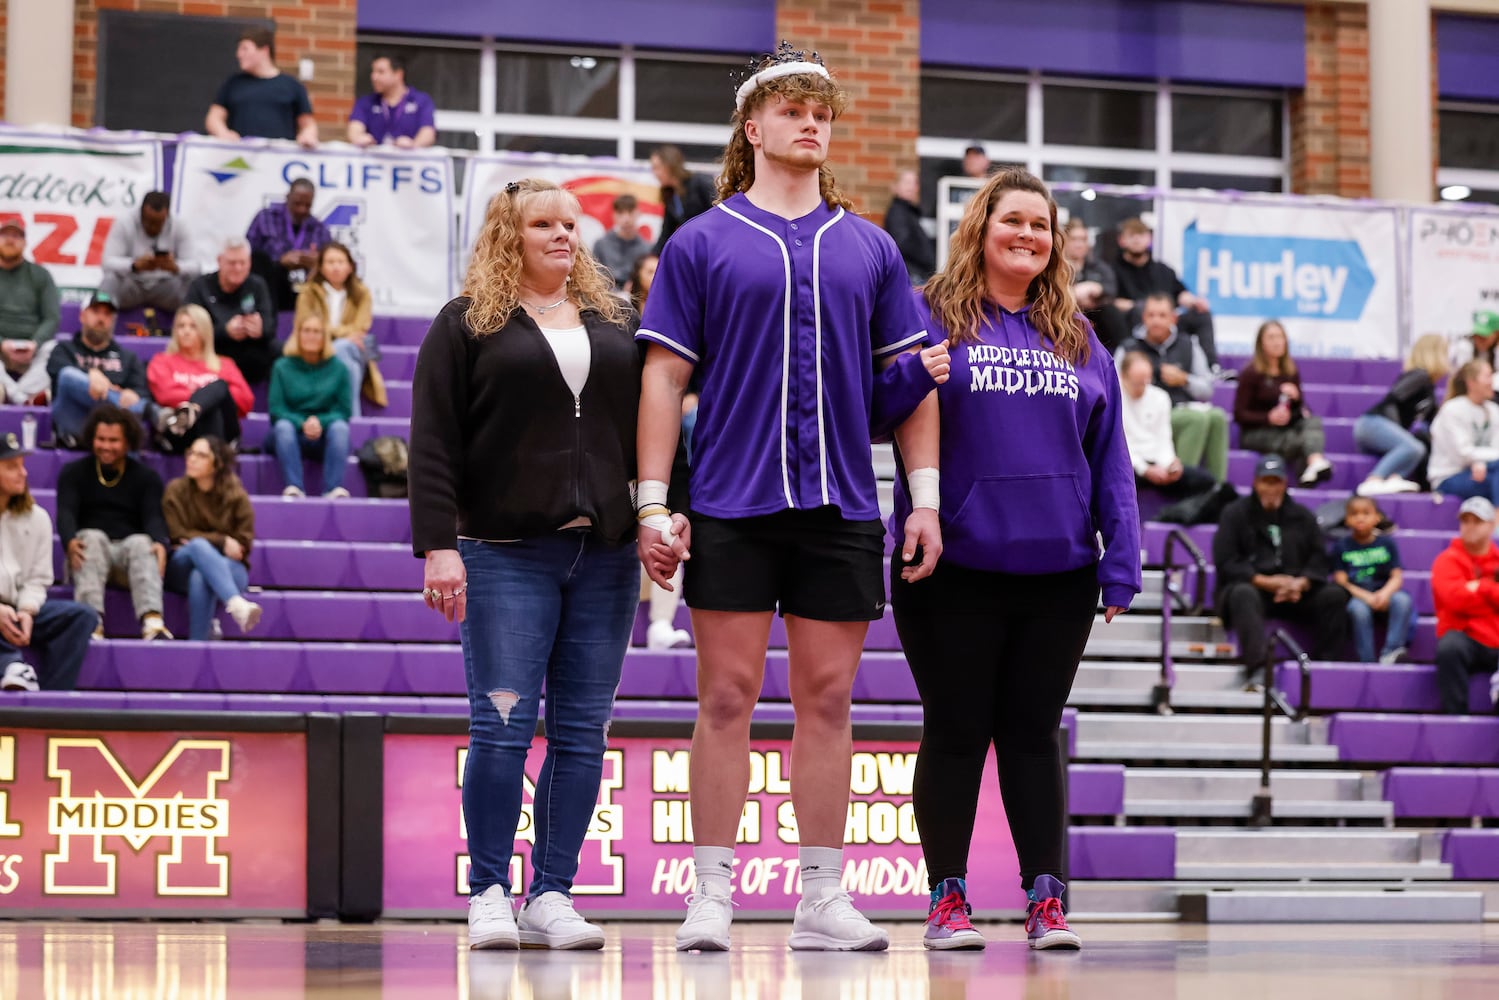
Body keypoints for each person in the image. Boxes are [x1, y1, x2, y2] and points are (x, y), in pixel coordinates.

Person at [635, 46, 941, 954]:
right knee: (725, 697)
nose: (811, 120)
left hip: (843, 505)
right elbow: (662, 379)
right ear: (752, 126)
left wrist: (921, 498)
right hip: (730, 500)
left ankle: (820, 896)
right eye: (791, 107)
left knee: (827, 701)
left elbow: (913, 385)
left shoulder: (872, 247)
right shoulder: (699, 241)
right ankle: (710, 895)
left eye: (822, 109)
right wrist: (653, 504)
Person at [883, 167, 1138, 952]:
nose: (1027, 234)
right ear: (979, 228)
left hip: (1057, 570)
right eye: (1012, 220)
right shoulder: (928, 315)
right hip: (949, 565)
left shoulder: (1079, 337)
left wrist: (1120, 554)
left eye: (1041, 224)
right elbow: (871, 409)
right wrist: (900, 374)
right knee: (955, 732)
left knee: (1032, 735)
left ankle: (1045, 901)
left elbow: (1109, 456)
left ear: (1054, 241)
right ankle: (947, 901)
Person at [409, 177, 645, 952]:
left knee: (582, 733)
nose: (561, 236)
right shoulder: (466, 323)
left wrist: (655, 511)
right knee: (503, 726)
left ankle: (552, 893)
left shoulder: (615, 322)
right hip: (504, 554)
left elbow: (652, 424)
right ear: (508, 233)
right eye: (543, 223)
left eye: (569, 224)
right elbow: (434, 442)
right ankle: (486, 891)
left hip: (604, 557)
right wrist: (438, 544)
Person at [1212, 454, 1349, 681]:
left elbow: (1319, 558)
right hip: (1255, 588)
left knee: (1334, 595)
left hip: (1296, 592)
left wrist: (1302, 583)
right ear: (1256, 482)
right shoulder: (1235, 514)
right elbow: (1226, 560)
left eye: (1276, 482)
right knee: (1242, 593)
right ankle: (1256, 668)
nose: (1271, 488)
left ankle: (1325, 667)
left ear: (1285, 484)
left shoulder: (1303, 517)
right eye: (1266, 482)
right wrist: (1263, 581)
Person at [56, 405, 171, 641]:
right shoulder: (73, 472)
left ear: (128, 442)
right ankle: (90, 622)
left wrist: (160, 542)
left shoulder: (146, 478)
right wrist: (69, 540)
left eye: (113, 440)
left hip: (130, 558)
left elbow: (153, 517)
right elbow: (65, 512)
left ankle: (153, 623)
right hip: (88, 555)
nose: (106, 446)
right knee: (91, 537)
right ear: (91, 438)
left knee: (142, 542)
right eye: (100, 439)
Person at [0, 433, 96, 693]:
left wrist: (27, 611)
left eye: (22, 465)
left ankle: (53, 697)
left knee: (82, 616)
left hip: (19, 607)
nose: (23, 474)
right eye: (11, 467)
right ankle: (11, 663)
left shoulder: (38, 518)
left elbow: (38, 579)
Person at [1115, 293, 1229, 482]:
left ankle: (1218, 487)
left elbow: (1207, 389)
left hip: (1182, 406)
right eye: (1151, 315)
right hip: (1144, 416)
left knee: (1217, 417)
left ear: (1173, 318)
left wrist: (1184, 379)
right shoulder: (1129, 348)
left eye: (1162, 315)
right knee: (1196, 419)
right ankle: (1181, 483)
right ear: (1143, 318)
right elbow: (1114, 387)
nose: (1156, 321)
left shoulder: (1188, 345)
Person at [162, 436, 261, 641]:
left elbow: (243, 545)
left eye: (201, 455)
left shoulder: (236, 495)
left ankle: (196, 647)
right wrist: (221, 541)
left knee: (201, 576)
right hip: (182, 565)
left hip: (230, 568)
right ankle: (235, 602)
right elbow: (177, 534)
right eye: (191, 453)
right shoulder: (176, 490)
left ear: (217, 463)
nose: (192, 459)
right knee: (198, 547)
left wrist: (205, 544)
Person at [45, 291, 152, 448]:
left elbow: (142, 392)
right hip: (75, 425)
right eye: (95, 312)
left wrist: (132, 394)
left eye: (107, 314)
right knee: (68, 375)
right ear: (82, 316)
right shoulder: (63, 350)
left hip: (115, 428)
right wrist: (91, 376)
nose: (101, 319)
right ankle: (149, 411)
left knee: (127, 428)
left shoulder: (127, 357)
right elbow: (58, 374)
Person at [1113, 217, 1221, 371]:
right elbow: (1110, 300)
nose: (1137, 240)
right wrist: (1144, 309)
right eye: (1131, 235)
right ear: (1122, 240)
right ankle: (1139, 363)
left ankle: (1211, 367)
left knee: (1201, 314)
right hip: (1135, 323)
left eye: (1141, 235)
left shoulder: (1163, 270)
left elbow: (1180, 293)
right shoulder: (1113, 270)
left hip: (1168, 322)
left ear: (1149, 239)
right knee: (1141, 309)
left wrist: (1194, 302)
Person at [1233, 320, 1333, 486]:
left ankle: (1314, 465)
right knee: (1304, 441)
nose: (1277, 342)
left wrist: (1296, 399)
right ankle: (1312, 468)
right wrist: (1268, 418)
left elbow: (1299, 412)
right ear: (1261, 343)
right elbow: (1239, 414)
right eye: (1271, 337)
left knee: (1313, 421)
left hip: (1284, 428)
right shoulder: (1250, 373)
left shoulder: (1290, 371)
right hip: (1256, 432)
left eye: (1280, 337)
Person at [146, 305, 254, 452]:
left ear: (205, 331)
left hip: (224, 431)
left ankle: (193, 411)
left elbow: (245, 401)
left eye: (193, 326)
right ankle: (212, 465)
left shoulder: (224, 364)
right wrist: (210, 397)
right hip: (181, 431)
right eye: (181, 326)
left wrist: (201, 401)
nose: (186, 331)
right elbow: (166, 395)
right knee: (213, 403)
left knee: (218, 390)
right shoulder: (162, 361)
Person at [268, 314, 352, 499]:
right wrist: (302, 423)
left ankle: (333, 489)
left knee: (340, 428)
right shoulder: (282, 366)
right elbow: (276, 410)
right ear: (297, 335)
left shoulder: (339, 368)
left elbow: (344, 411)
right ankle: (294, 488)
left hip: (324, 434)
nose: (311, 336)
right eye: (306, 331)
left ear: (325, 337)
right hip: (290, 435)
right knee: (282, 427)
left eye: (317, 332)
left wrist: (319, 422)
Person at [294, 241, 382, 418]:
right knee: (349, 365)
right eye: (331, 262)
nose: (336, 267)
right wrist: (340, 334)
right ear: (321, 267)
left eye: (341, 262)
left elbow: (360, 328)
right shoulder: (308, 292)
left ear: (350, 267)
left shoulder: (362, 293)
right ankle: (353, 421)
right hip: (319, 347)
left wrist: (328, 332)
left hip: (358, 347)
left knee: (345, 348)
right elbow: (305, 325)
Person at [1355, 333, 1448, 497]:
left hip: (1381, 425)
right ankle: (1374, 479)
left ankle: (1395, 477)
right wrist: (1398, 430)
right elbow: (1393, 398)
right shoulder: (1420, 376)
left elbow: (1433, 421)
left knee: (1417, 446)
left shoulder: (1429, 386)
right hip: (1373, 423)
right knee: (1413, 447)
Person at [1431, 495, 1499, 715]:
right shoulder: (1446, 560)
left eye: (1477, 521)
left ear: (1491, 525)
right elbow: (1455, 600)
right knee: (1450, 646)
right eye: (1465, 520)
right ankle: (1455, 716)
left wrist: (1481, 587)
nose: (1470, 527)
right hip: (1466, 638)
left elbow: (1466, 597)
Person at [1119, 350, 1218, 499]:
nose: (1142, 387)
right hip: (1129, 464)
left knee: (1206, 482)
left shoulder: (1160, 397)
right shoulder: (1114, 397)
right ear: (1122, 377)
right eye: (1136, 383)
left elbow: (1163, 437)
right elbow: (1119, 444)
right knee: (1118, 479)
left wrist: (1170, 464)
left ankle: (1177, 516)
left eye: (1146, 381)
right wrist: (1145, 469)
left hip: (1157, 462)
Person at [184, 237, 278, 387]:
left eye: (243, 263)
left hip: (252, 353)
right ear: (220, 261)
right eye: (232, 263)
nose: (238, 268)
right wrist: (225, 331)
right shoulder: (200, 287)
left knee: (280, 351)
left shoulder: (257, 285)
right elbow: (188, 328)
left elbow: (270, 326)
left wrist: (260, 329)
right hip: (214, 350)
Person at [1332, 495, 1413, 665]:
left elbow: (1397, 576)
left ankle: (1391, 652)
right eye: (1354, 513)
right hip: (1358, 596)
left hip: (1385, 593)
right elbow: (1341, 580)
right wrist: (1366, 597)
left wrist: (1384, 594)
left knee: (1403, 600)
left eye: (1366, 513)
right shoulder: (1341, 546)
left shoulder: (1387, 544)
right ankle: (1366, 660)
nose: (1360, 517)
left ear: (1377, 517)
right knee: (1358, 611)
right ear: (1347, 520)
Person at [205, 27, 317, 147]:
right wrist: (223, 133)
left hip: (278, 159)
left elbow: (308, 123)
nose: (239, 54)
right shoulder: (233, 83)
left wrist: (308, 135)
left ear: (264, 50)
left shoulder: (292, 86)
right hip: (240, 159)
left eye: (245, 49)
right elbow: (214, 117)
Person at [98, 191, 198, 313]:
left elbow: (196, 267)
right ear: (141, 213)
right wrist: (134, 265)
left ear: (167, 216)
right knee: (110, 280)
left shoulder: (180, 225)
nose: (153, 227)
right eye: (149, 221)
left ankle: (191, 330)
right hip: (132, 284)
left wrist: (175, 267)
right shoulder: (124, 223)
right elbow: (107, 263)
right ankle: (99, 328)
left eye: (158, 223)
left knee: (195, 284)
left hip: (167, 286)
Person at [246, 179, 331, 311]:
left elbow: (330, 257)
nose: (302, 209)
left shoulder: (319, 228)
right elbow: (248, 253)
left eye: (307, 205)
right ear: (287, 197)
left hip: (304, 286)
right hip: (270, 286)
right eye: (297, 203)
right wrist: (279, 261)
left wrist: (317, 262)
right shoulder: (265, 218)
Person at [0, 218, 60, 405]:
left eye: (16, 236)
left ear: (25, 243)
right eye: (5, 235)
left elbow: (52, 317)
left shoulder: (40, 275)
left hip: (33, 349)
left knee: (57, 351)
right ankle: (25, 400)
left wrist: (35, 344)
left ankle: (9, 394)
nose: (10, 240)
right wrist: (2, 344)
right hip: (0, 349)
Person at [1427, 359, 1499, 504]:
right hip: (1449, 476)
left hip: (1486, 470)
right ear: (1471, 382)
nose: (1492, 381)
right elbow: (1462, 454)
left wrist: (1481, 462)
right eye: (1487, 376)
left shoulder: (1493, 410)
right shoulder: (1452, 410)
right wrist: (1478, 461)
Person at [347, 53, 436, 148]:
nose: (374, 77)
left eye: (380, 72)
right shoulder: (366, 102)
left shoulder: (421, 101)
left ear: (398, 74)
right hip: (375, 161)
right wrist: (359, 138)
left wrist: (413, 145)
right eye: (373, 72)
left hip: (408, 161)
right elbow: (354, 128)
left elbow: (428, 133)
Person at [1063, 218, 1126, 352]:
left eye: (1083, 239)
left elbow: (1111, 289)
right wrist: (1074, 293)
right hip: (1064, 314)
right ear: (1064, 241)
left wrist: (1097, 288)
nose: (1079, 244)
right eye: (1074, 239)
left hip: (1096, 315)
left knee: (1111, 312)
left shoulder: (1098, 267)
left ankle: (1121, 354)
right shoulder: (1056, 268)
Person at [650, 145, 717, 254]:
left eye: (657, 167)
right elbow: (666, 234)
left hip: (712, 246)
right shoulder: (670, 196)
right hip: (695, 250)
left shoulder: (700, 182)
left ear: (670, 165)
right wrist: (650, 257)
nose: (654, 173)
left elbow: (719, 214)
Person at [883, 170, 934, 284]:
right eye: (906, 182)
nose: (911, 187)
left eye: (914, 183)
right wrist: (925, 258)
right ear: (895, 187)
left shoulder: (909, 212)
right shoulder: (897, 212)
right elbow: (902, 242)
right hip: (911, 275)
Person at [593, 194, 653, 291]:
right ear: (614, 215)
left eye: (630, 212)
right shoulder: (601, 245)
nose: (626, 219)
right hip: (606, 298)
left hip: (636, 300)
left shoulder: (647, 248)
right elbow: (595, 277)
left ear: (638, 213)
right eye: (620, 213)